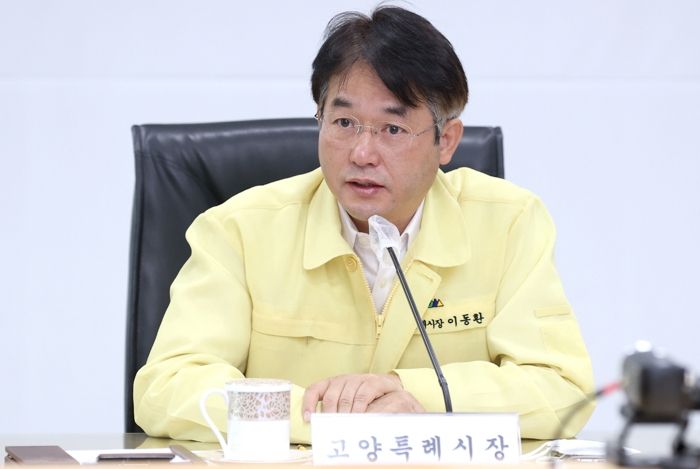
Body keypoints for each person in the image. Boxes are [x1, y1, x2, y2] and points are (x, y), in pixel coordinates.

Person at [134, 5, 594, 444]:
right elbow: (166, 388)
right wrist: (327, 418)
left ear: (447, 140)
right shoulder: (239, 229)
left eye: (393, 129)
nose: (362, 153)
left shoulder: (508, 222)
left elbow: (561, 389)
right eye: (343, 122)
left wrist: (412, 396)